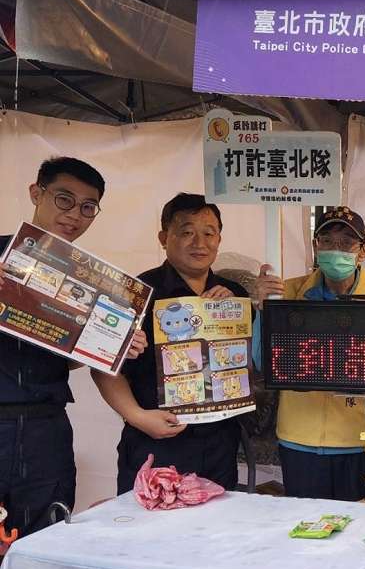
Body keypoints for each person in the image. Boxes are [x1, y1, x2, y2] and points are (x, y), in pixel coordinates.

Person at [0, 157, 146, 539]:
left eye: (87, 207)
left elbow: (69, 360)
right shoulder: (1, 255)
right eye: (64, 199)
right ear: (36, 193)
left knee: (46, 537)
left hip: (46, 427)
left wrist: (116, 345)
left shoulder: (92, 282)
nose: (74, 215)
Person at [92, 193, 247, 494]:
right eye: (186, 232)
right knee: (151, 520)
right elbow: (102, 367)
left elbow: (249, 363)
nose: (199, 243)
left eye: (209, 233)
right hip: (156, 439)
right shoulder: (134, 293)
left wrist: (243, 311)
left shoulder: (234, 294)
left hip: (221, 441)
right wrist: (137, 417)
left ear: (219, 239)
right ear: (164, 238)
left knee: (217, 520)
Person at [251, 206, 365, 501]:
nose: (336, 250)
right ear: (315, 246)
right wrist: (262, 309)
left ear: (363, 251)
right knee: (304, 524)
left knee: (354, 523)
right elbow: (261, 361)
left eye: (346, 243)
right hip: (298, 440)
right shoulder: (285, 294)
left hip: (359, 443)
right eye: (328, 241)